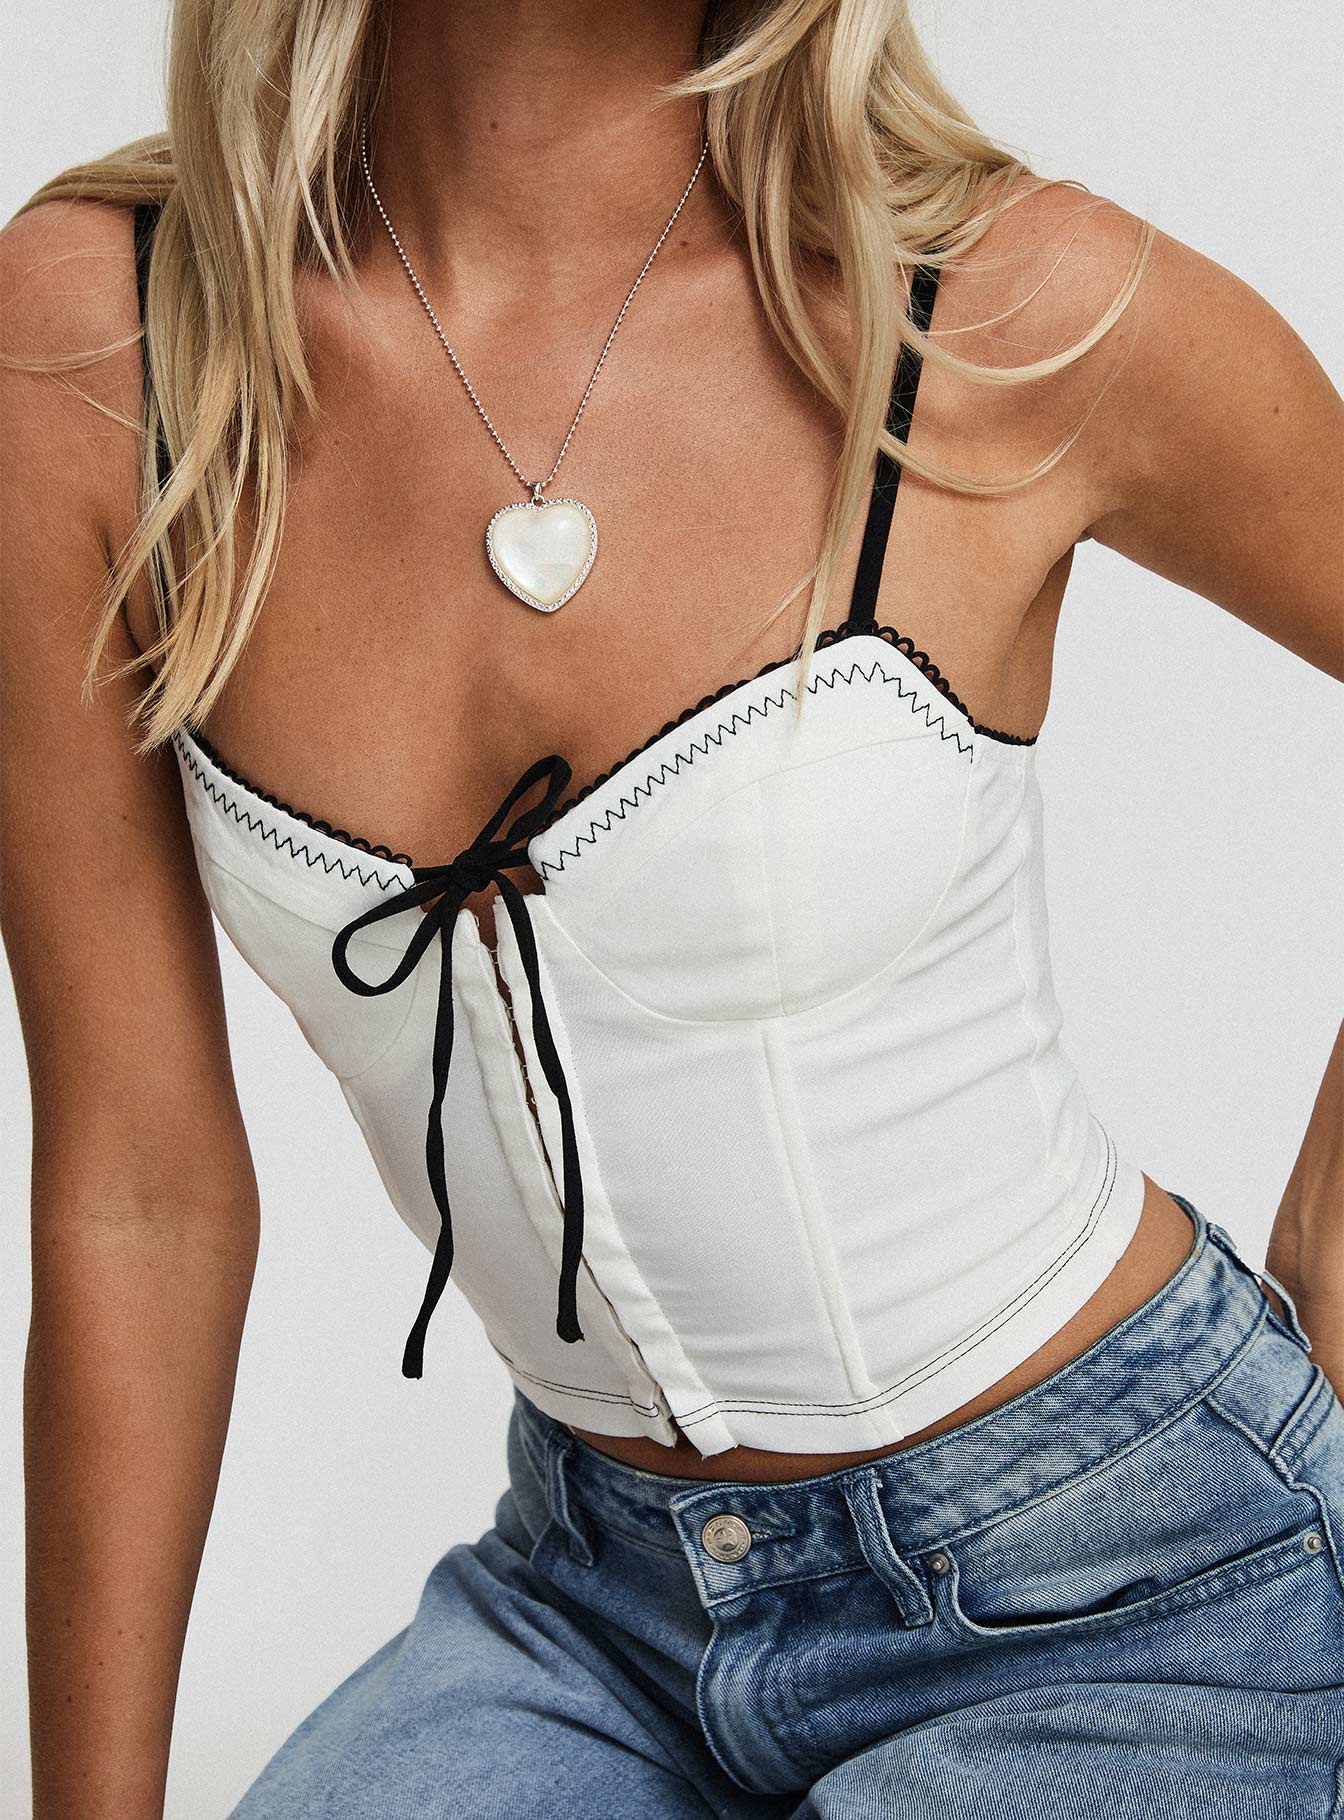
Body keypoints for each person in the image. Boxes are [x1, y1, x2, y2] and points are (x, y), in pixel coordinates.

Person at [3, 2, 1341, 1816]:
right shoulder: (97, 347)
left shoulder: (997, 305)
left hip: (1133, 1584)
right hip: (594, 1608)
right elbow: (137, 1188)